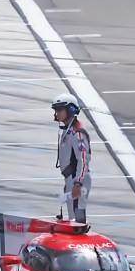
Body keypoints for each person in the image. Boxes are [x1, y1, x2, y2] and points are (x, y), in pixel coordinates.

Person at [52, 93, 91, 223]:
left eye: (59, 109)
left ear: (71, 110)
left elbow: (83, 159)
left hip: (78, 181)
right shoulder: (68, 130)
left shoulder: (77, 132)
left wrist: (78, 183)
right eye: (56, 110)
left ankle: (80, 240)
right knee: (72, 218)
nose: (57, 113)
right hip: (72, 179)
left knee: (77, 217)